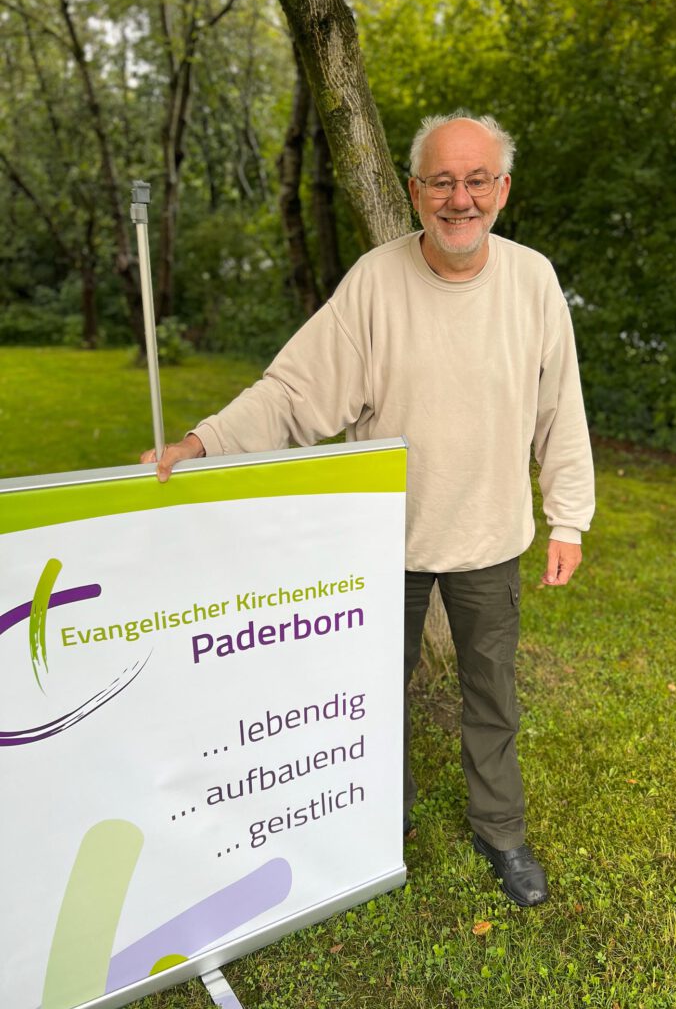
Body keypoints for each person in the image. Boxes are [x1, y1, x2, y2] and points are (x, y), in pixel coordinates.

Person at [142, 111, 595, 908]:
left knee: (491, 692)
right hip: (379, 539)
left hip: (490, 535)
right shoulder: (374, 281)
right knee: (370, 694)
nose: (460, 199)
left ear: (503, 188)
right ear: (414, 190)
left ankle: (500, 832)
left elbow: (560, 410)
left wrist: (568, 519)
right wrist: (201, 442)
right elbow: (293, 390)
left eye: (476, 179)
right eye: (442, 181)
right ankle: (377, 824)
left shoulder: (531, 280)